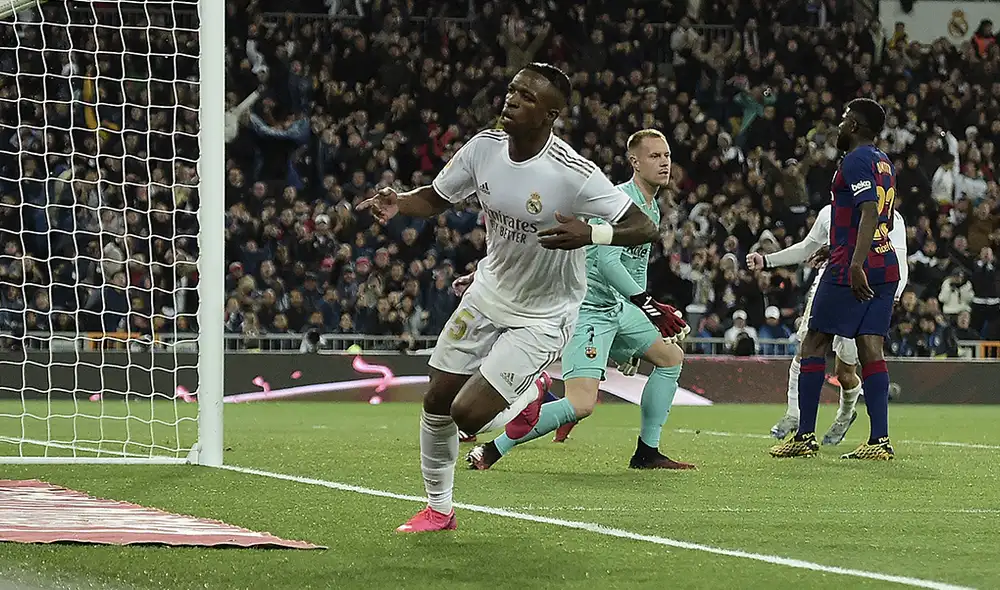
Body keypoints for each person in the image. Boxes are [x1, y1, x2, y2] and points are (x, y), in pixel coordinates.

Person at [358, 63, 662, 533]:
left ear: (550, 114)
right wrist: (401, 202)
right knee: (437, 401)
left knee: (467, 414)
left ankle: (532, 392)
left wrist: (592, 231)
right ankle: (439, 509)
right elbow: (438, 196)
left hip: (545, 313)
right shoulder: (484, 149)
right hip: (487, 294)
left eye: (527, 96)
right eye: (512, 90)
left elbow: (644, 225)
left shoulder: (574, 174)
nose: (512, 98)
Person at [465, 129, 694, 471]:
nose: (664, 163)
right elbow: (606, 261)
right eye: (654, 156)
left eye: (666, 156)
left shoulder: (651, 208)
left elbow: (636, 267)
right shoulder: (617, 203)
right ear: (634, 162)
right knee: (581, 404)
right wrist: (650, 306)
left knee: (670, 357)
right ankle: (492, 449)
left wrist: (643, 316)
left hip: (618, 308)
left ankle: (647, 452)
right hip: (587, 311)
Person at [767, 98, 900, 460]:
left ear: (855, 125)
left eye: (844, 119)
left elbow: (869, 209)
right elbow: (869, 217)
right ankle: (879, 442)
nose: (839, 126)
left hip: (852, 267)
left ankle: (804, 437)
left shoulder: (855, 160)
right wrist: (838, 243)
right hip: (884, 263)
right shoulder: (883, 161)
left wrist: (853, 262)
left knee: (813, 343)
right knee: (871, 348)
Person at [748, 196, 907, 445]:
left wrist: (893, 295)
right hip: (831, 282)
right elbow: (806, 247)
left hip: (864, 288)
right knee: (806, 348)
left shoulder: (890, 218)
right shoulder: (829, 213)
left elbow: (899, 258)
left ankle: (845, 414)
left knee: (845, 372)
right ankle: (794, 414)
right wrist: (767, 260)